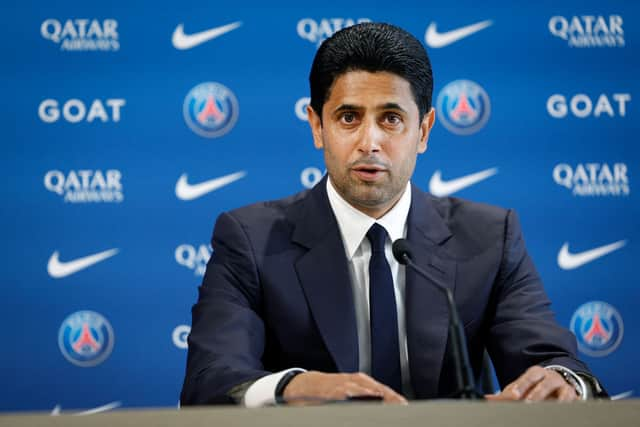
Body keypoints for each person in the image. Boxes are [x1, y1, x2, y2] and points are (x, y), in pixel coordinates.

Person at [180, 22, 606, 407]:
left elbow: (554, 362)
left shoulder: (490, 237)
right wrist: (289, 387)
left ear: (423, 131)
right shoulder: (250, 240)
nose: (370, 142)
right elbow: (210, 379)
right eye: (349, 117)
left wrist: (562, 382)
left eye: (391, 118)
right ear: (316, 125)